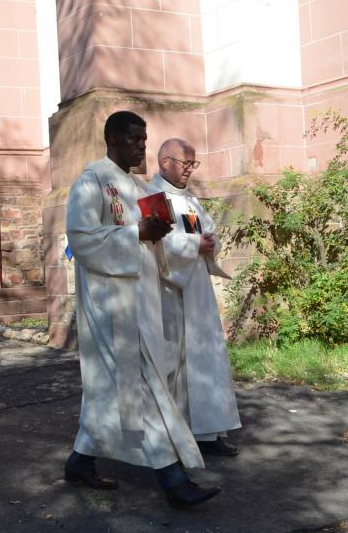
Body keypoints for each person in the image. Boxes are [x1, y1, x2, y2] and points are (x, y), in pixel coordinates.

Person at [63, 110, 220, 509]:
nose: (141, 146)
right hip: (110, 304)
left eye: (144, 140)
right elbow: (81, 241)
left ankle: (80, 460)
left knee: (110, 388)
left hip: (143, 300)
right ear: (112, 138)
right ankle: (173, 479)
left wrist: (163, 236)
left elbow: (161, 241)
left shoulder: (138, 188)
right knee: (143, 384)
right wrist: (137, 233)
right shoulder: (91, 180)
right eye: (135, 139)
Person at [148, 138, 242, 455]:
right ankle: (176, 435)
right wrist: (193, 247)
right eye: (186, 164)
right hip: (171, 292)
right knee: (175, 363)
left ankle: (209, 432)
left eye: (193, 164)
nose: (190, 170)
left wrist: (208, 241)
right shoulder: (153, 197)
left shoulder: (187, 200)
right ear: (165, 162)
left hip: (197, 290)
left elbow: (202, 229)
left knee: (206, 358)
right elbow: (158, 243)